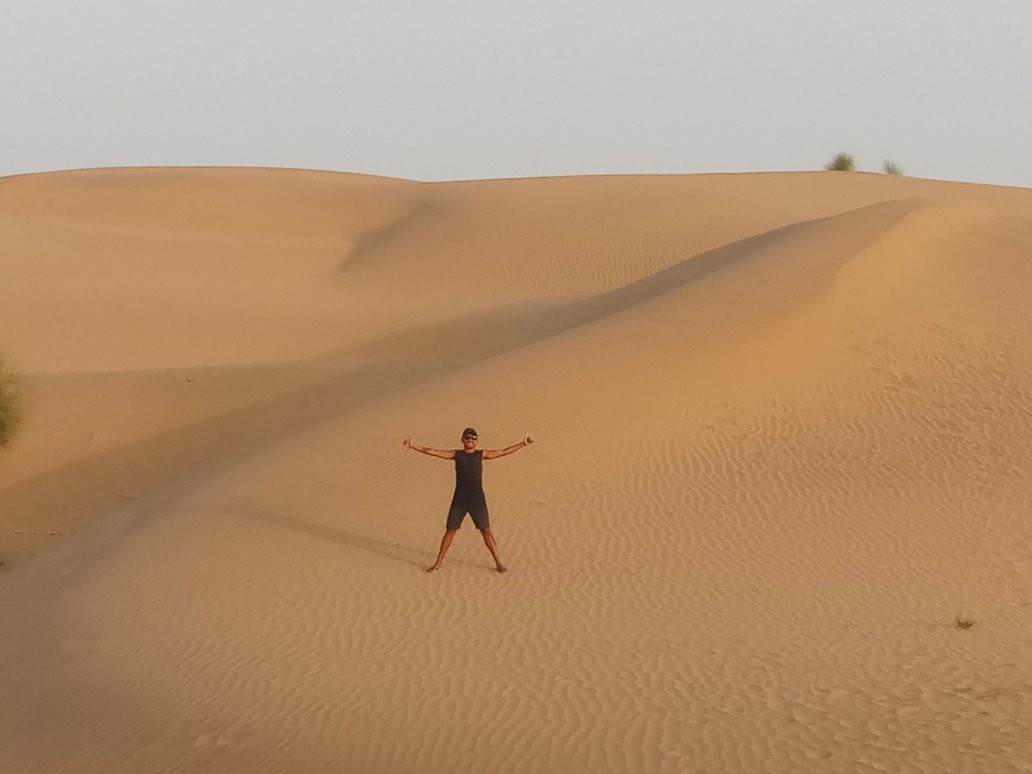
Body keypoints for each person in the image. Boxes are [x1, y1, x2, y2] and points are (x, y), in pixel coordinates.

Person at [403, 427, 533, 573]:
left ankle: (498, 563)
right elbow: (434, 452)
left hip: (477, 500)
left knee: (486, 531)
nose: (470, 440)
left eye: (473, 438)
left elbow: (502, 452)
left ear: (477, 441)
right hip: (459, 500)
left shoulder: (481, 454)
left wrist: (522, 444)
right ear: (462, 440)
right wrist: (412, 446)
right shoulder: (456, 454)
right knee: (450, 531)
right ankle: (438, 563)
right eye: (467, 438)